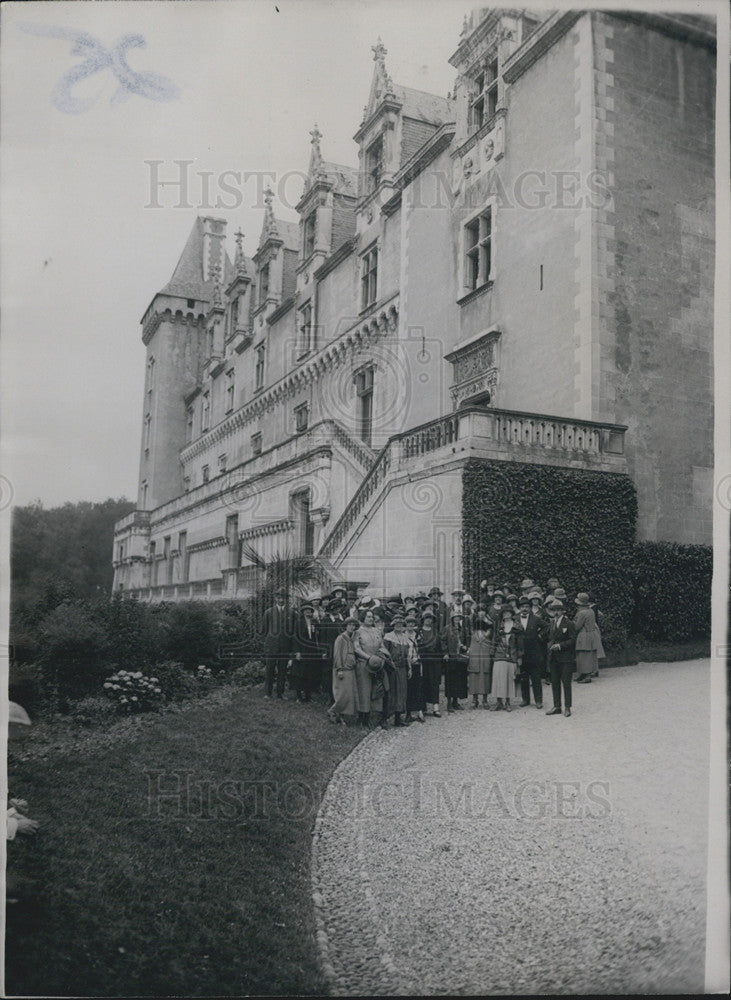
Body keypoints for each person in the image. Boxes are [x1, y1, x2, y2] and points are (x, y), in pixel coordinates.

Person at [353, 608, 385, 728]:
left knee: (375, 690)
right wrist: (368, 658)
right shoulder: (358, 632)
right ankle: (362, 718)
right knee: (364, 691)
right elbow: (356, 648)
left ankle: (373, 716)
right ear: (362, 618)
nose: (371, 619)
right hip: (363, 665)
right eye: (368, 617)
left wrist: (381, 657)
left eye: (372, 617)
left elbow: (381, 646)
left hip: (377, 664)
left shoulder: (377, 631)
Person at [545, 599, 577, 717]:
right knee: (555, 682)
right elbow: (550, 637)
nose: (556, 612)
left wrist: (560, 646)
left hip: (566, 658)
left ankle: (567, 707)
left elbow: (573, 640)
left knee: (566, 683)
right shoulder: (552, 623)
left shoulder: (569, 623)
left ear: (563, 611)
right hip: (554, 658)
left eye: (559, 610)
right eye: (554, 610)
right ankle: (557, 706)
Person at [261, 589, 295, 699]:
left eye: (283, 598)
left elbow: (293, 632)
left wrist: (291, 648)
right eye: (279, 597)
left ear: (286, 599)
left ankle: (280, 693)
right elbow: (264, 631)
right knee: (270, 670)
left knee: (282, 670)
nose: (281, 600)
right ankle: (268, 693)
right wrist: (267, 645)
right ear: (275, 598)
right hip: (272, 646)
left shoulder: (291, 613)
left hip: (285, 647)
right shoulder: (269, 612)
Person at [515, 595, 547, 709]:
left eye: (527, 606)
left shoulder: (536, 618)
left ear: (530, 608)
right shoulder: (515, 618)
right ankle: (525, 699)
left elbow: (546, 627)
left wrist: (539, 636)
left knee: (536, 677)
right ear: (519, 608)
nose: (525, 609)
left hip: (534, 652)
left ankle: (538, 700)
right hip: (521, 652)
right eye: (522, 607)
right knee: (523, 677)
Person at [382, 615, 415, 727]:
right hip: (391, 668)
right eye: (397, 624)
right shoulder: (388, 637)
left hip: (402, 668)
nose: (399, 626)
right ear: (393, 625)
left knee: (401, 693)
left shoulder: (405, 638)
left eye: (401, 624)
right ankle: (384, 719)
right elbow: (384, 653)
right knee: (390, 693)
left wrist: (409, 668)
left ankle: (398, 718)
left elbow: (408, 656)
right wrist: (390, 665)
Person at [490, 606, 522, 711]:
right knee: (498, 678)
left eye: (508, 613)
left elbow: (520, 644)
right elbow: (494, 640)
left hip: (512, 655)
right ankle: (499, 702)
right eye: (504, 613)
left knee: (509, 679)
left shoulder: (517, 626)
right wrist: (492, 653)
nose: (506, 614)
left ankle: (508, 702)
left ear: (512, 614)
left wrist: (519, 657)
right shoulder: (498, 625)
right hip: (499, 655)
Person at [329, 617, 359, 725]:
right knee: (342, 694)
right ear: (345, 626)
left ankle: (343, 716)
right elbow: (337, 655)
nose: (352, 627)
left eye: (353, 625)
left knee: (349, 695)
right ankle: (333, 711)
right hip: (342, 670)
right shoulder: (340, 638)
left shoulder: (353, 638)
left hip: (351, 669)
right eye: (350, 625)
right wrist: (339, 669)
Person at [291, 603, 324, 702]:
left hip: (312, 650)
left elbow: (318, 634)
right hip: (302, 649)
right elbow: (295, 638)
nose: (308, 612)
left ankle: (308, 696)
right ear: (303, 612)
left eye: (310, 610)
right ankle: (298, 696)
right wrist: (297, 652)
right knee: (300, 673)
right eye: (306, 610)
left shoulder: (314, 622)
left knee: (310, 673)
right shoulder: (298, 622)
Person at [573, 592, 605, 682]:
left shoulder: (581, 613)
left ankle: (586, 675)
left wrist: (572, 623)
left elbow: (577, 626)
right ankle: (584, 674)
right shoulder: (590, 611)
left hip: (583, 635)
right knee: (588, 655)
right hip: (591, 634)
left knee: (583, 655)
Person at [417, 610, 443, 716]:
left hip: (434, 660)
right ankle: (423, 708)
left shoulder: (436, 632)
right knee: (423, 683)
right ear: (423, 619)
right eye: (427, 618)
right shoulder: (419, 632)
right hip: (423, 660)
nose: (428, 620)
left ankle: (435, 708)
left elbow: (439, 647)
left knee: (434, 683)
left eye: (430, 618)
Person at [442, 610, 468, 713]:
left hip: (460, 657)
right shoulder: (447, 628)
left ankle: (455, 702)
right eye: (456, 617)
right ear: (452, 618)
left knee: (459, 679)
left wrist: (465, 647)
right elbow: (443, 641)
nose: (457, 619)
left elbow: (464, 641)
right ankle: (449, 703)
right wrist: (445, 652)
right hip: (450, 656)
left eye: (459, 617)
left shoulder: (462, 629)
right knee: (450, 680)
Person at [467, 613, 492, 708]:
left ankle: (485, 700)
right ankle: (474, 699)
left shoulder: (489, 633)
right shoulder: (472, 633)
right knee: (474, 678)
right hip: (475, 659)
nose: (481, 619)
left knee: (485, 678)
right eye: (479, 616)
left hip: (485, 658)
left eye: (483, 616)